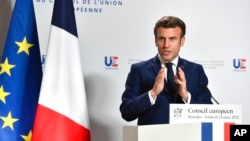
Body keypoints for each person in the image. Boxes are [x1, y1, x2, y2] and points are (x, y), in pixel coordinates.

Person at [119, 16, 212, 125]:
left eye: (172, 39)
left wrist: (186, 95)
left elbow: (208, 110)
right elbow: (126, 112)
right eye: (161, 38)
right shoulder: (139, 70)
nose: (166, 45)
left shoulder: (196, 70)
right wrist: (152, 93)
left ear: (182, 41)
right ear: (155, 40)